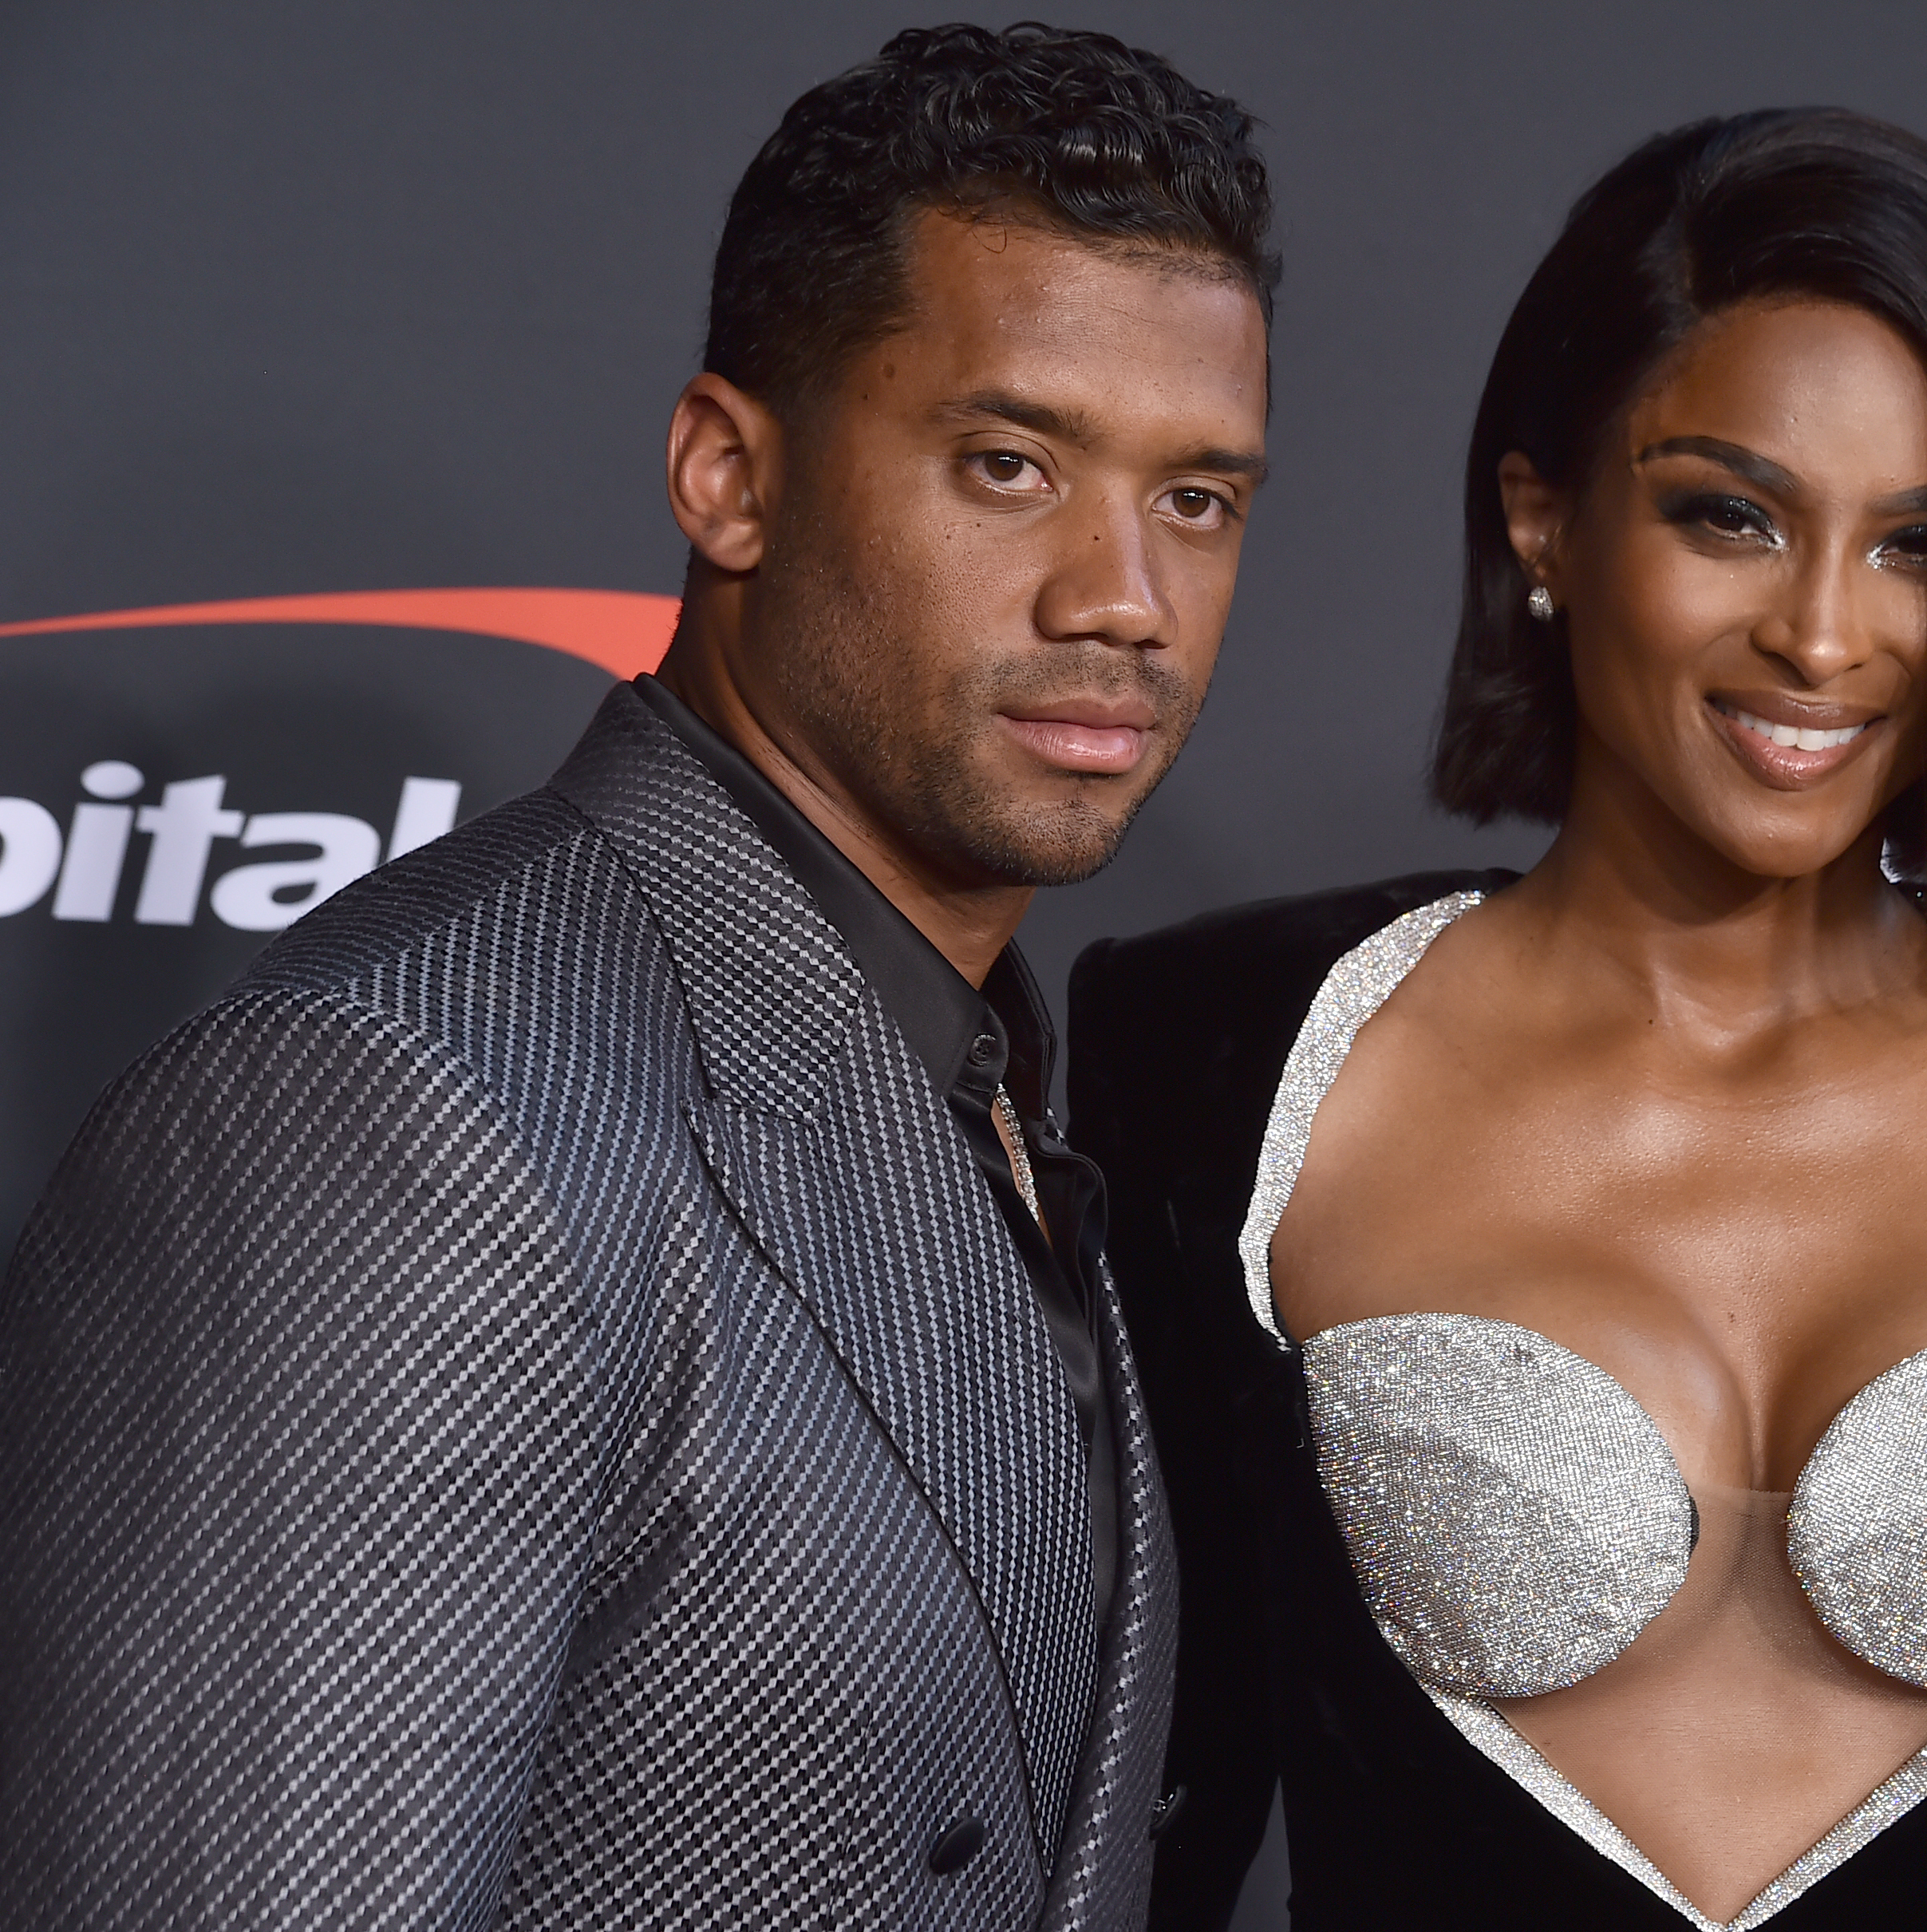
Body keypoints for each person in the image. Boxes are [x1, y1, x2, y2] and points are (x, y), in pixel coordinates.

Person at [0, 24, 1273, 1929]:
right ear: (727, 475)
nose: (1123, 598)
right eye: (1008, 464)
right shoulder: (390, 1115)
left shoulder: (987, 1077)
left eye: (1196, 498)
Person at [1071, 109, 1927, 1931]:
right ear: (1543, 515)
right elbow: (1142, 1823)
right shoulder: (1215, 1047)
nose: (1824, 637)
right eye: (1730, 516)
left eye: (1919, 545)